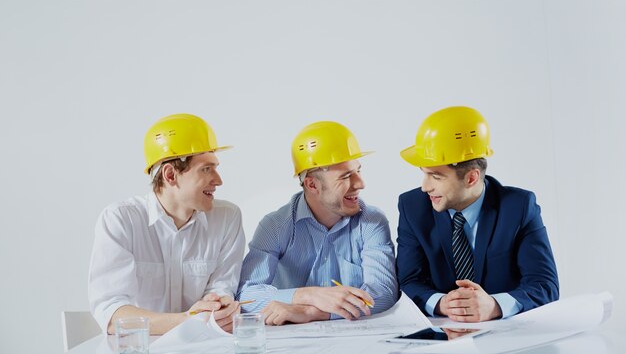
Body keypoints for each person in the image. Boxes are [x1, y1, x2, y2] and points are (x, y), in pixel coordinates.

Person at [396, 106, 559, 323]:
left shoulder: (519, 207)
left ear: (471, 178)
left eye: (436, 176)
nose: (425, 187)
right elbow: (407, 282)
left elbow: (545, 285)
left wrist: (495, 305)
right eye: (423, 174)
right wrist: (442, 303)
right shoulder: (412, 207)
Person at [88, 114, 246, 334]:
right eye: (206, 169)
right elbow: (113, 316)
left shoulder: (227, 219)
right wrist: (188, 320)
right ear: (171, 175)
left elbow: (221, 289)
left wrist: (220, 306)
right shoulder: (120, 220)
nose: (218, 180)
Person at [237, 121, 398, 325]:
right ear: (312, 184)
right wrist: (308, 296)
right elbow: (246, 296)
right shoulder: (275, 226)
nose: (360, 183)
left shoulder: (372, 222)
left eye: (358, 170)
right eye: (346, 176)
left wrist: (312, 313)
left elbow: (383, 293)